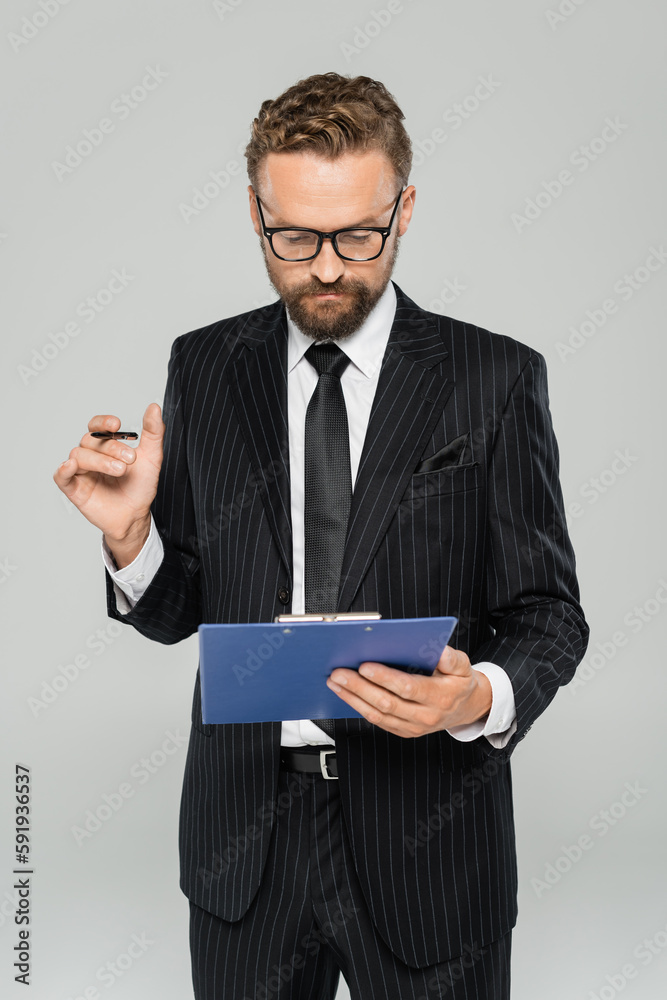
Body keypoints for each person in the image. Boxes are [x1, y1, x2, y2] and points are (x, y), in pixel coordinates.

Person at [54, 72, 588, 1000]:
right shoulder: (205, 365)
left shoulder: (492, 377)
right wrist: (133, 540)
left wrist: (479, 699)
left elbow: (547, 614)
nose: (329, 267)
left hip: (430, 845)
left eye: (357, 235)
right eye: (294, 237)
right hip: (245, 848)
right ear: (255, 213)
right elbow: (184, 610)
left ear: (404, 208)